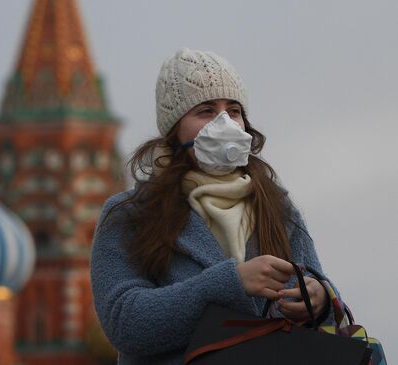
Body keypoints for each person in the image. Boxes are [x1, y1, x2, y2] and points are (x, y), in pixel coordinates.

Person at [90, 48, 337, 364]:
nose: (224, 123)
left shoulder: (277, 207)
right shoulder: (130, 213)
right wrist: (230, 283)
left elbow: (325, 300)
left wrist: (320, 301)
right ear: (174, 129)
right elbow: (124, 323)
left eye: (233, 111)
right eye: (205, 110)